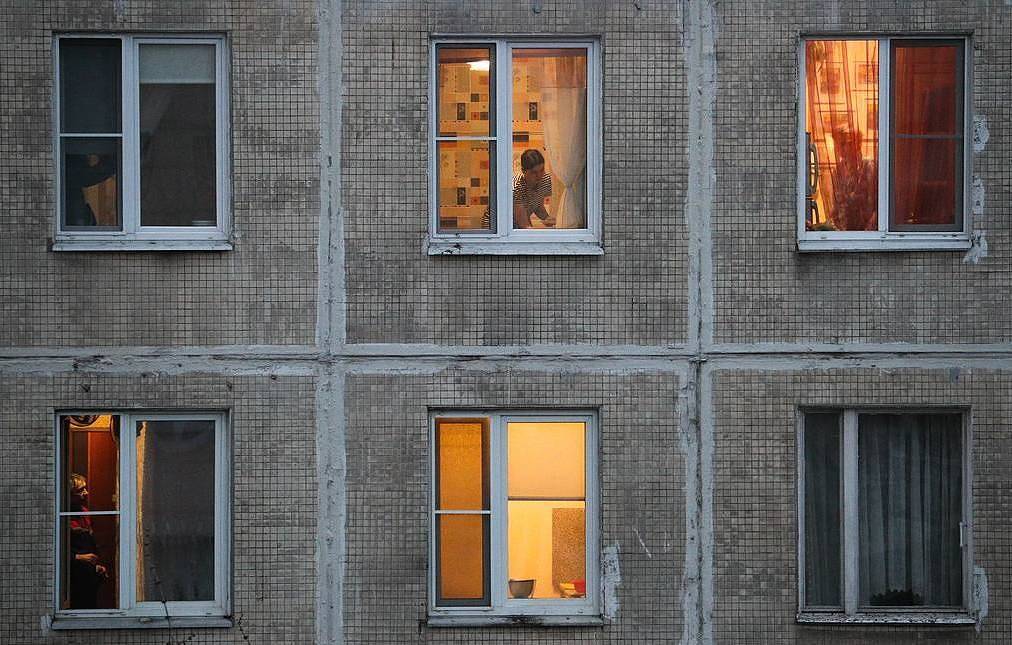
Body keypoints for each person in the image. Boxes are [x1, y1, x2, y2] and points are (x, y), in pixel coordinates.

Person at [67, 473, 108, 609]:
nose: (86, 493)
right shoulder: (62, 515)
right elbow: (55, 551)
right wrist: (78, 557)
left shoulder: (84, 512)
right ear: (69, 494)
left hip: (88, 574)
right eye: (80, 490)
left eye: (85, 489)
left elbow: (89, 542)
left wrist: (96, 565)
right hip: (73, 577)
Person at [513, 149, 553, 229]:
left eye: (542, 170)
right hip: (497, 225)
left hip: (522, 218)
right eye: (534, 172)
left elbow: (538, 205)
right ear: (523, 171)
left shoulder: (545, 180)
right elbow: (523, 224)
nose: (539, 176)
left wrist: (549, 220)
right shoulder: (516, 187)